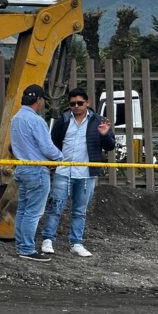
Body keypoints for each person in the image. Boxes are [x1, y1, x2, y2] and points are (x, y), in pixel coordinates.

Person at [40, 88, 115, 258]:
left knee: (80, 210)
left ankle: (76, 242)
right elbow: (54, 142)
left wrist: (104, 135)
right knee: (55, 207)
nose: (76, 106)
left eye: (80, 103)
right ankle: (47, 239)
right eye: (72, 103)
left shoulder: (99, 121)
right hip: (64, 171)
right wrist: (54, 163)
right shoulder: (63, 120)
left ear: (87, 103)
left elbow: (110, 146)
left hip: (87, 173)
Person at [9, 84, 63, 262]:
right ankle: (27, 248)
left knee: (23, 210)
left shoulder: (16, 118)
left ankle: (22, 246)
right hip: (37, 171)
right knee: (33, 212)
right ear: (39, 100)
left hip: (22, 168)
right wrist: (61, 158)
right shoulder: (36, 120)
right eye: (43, 101)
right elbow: (47, 148)